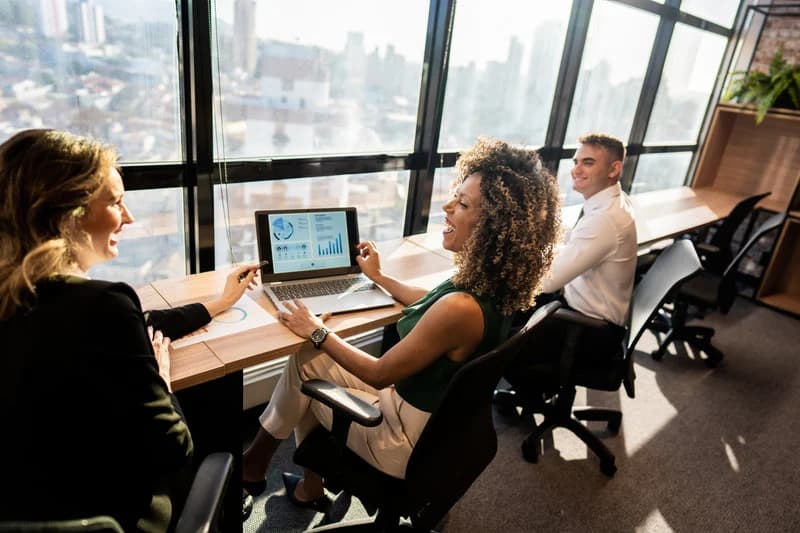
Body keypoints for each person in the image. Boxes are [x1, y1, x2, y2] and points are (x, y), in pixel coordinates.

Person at [241, 137, 561, 511]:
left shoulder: (462, 307)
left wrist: (315, 327)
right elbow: (427, 302)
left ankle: (254, 466)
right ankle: (302, 484)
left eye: (462, 204)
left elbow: (378, 374)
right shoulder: (490, 282)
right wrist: (380, 278)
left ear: (494, 226)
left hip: (400, 438)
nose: (446, 207)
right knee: (313, 359)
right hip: (437, 425)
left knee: (307, 360)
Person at [0, 129, 259, 532]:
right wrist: (161, 378)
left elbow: (133, 322)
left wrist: (218, 303)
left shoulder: (22, 297)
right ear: (69, 212)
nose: (130, 216)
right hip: (113, 515)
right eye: (116, 201)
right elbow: (174, 449)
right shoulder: (102, 306)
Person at [502, 132, 637, 392]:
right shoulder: (609, 205)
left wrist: (514, 262)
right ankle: (532, 385)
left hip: (589, 331)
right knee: (509, 310)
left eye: (587, 162)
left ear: (614, 169)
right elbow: (574, 250)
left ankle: (528, 386)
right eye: (575, 161)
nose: (576, 169)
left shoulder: (604, 219)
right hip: (590, 316)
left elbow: (547, 282)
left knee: (500, 339)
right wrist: (537, 250)